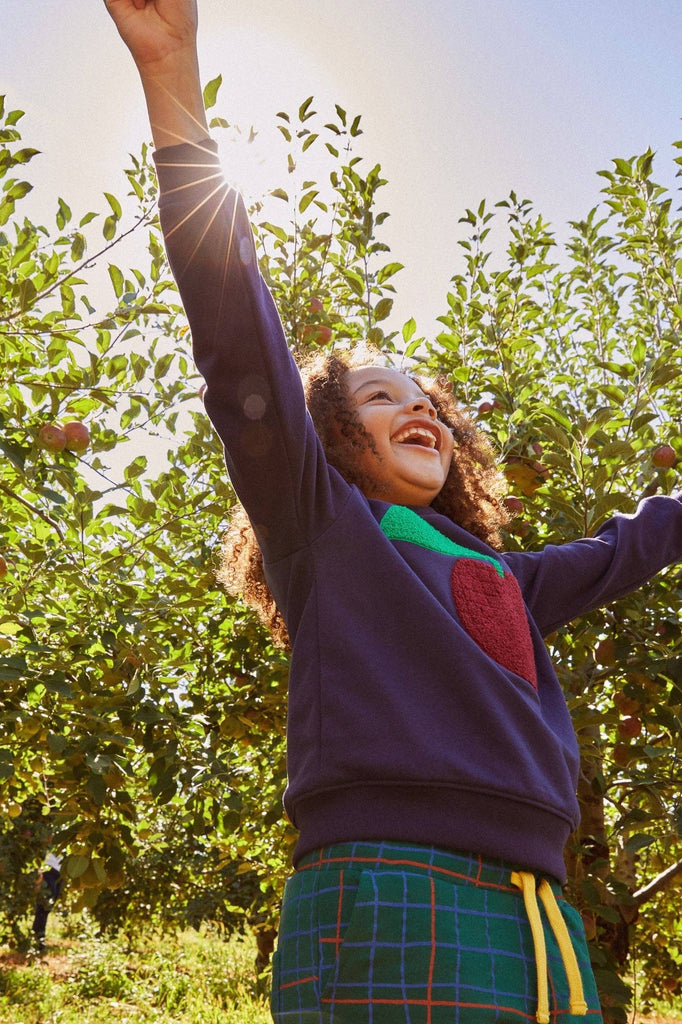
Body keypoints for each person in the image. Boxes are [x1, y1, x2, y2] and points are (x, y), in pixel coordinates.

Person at [104, 3, 682, 1021]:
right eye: (378, 392)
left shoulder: (500, 573)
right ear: (328, 433)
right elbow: (237, 336)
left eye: (429, 398)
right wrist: (173, 77)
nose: (416, 403)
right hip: (397, 884)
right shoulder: (325, 527)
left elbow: (635, 540)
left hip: (538, 911)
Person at [32, 851, 63, 953]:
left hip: (60, 872)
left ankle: (38, 939)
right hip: (48, 869)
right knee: (43, 907)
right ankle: (38, 941)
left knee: (47, 908)